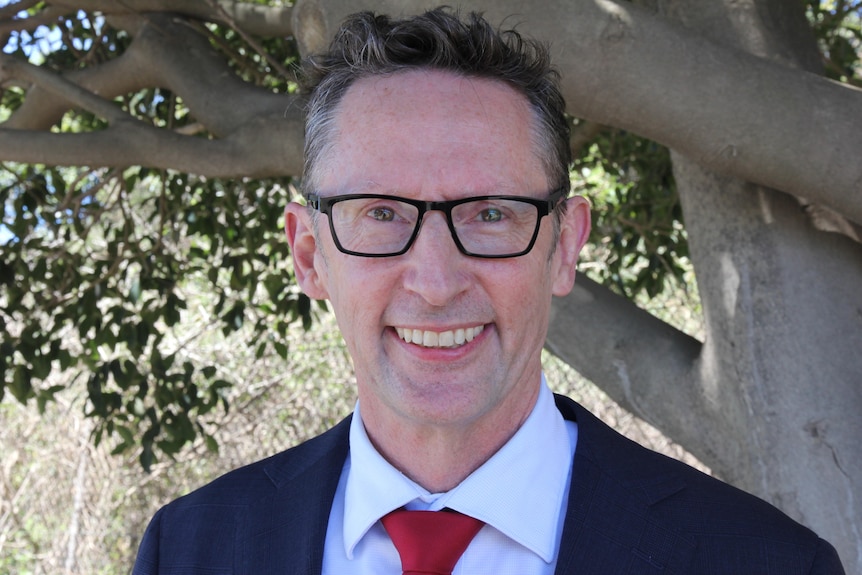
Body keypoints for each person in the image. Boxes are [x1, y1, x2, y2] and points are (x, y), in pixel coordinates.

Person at [132, 8, 845, 575]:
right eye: (381, 213)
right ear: (309, 254)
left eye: (491, 213)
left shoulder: (766, 561)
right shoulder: (188, 550)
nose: (436, 283)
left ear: (564, 244)